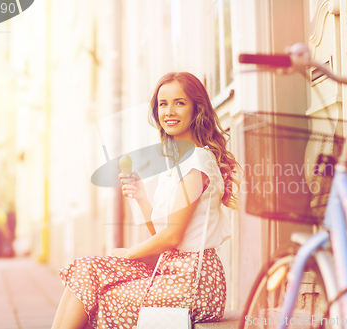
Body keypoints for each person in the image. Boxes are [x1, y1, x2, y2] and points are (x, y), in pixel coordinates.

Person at [52, 72, 242, 329]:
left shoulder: (196, 161)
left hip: (193, 282)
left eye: (180, 102)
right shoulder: (177, 163)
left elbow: (172, 239)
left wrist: (129, 253)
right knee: (87, 270)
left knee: (105, 297)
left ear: (197, 109)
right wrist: (142, 198)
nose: (169, 111)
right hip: (170, 269)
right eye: (163, 104)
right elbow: (167, 235)